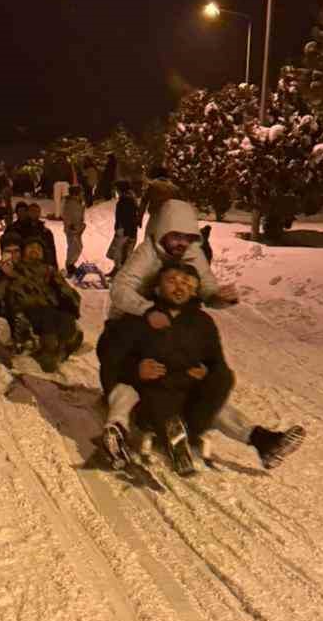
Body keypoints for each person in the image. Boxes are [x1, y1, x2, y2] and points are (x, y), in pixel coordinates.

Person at [108, 198, 303, 470]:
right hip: (134, 321)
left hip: (170, 328)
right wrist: (146, 311)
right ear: (163, 231)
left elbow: (206, 287)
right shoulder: (147, 254)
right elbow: (120, 290)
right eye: (175, 236)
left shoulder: (191, 255)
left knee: (202, 395)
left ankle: (261, 441)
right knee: (130, 385)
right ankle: (120, 430)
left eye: (187, 237)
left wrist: (219, 297)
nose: (181, 243)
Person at [98, 262, 233, 476]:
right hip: (149, 391)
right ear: (158, 287)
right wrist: (136, 370)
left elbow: (216, 361)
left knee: (223, 378)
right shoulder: (139, 316)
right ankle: (124, 433)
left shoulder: (203, 322)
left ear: (194, 291)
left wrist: (207, 371)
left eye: (187, 283)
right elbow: (111, 358)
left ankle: (183, 432)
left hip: (187, 393)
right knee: (154, 393)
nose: (180, 287)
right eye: (172, 281)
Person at [0, 231, 83, 372]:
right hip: (25, 312)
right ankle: (47, 352)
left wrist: (69, 304)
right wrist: (4, 275)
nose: (35, 250)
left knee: (66, 321)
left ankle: (58, 347)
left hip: (48, 310)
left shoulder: (48, 270)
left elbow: (67, 292)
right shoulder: (10, 268)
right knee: (46, 319)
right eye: (31, 247)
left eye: (38, 249)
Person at [106, 182, 141, 277]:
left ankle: (119, 272)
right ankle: (118, 270)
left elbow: (124, 217)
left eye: (117, 189)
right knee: (123, 252)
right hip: (130, 230)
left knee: (120, 252)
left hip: (125, 230)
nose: (116, 191)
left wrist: (120, 228)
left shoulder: (125, 201)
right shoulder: (131, 199)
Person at [10, 199, 58, 266]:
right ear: (28, 212)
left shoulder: (46, 232)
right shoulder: (19, 229)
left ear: (39, 213)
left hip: (41, 264)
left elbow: (51, 251)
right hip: (23, 264)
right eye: (32, 211)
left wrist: (54, 267)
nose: (34, 213)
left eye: (37, 211)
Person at [62, 184, 86, 276]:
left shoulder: (79, 202)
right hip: (72, 229)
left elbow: (80, 213)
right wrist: (70, 225)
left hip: (78, 228)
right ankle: (69, 266)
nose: (82, 194)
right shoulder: (69, 203)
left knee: (78, 247)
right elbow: (66, 215)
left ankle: (71, 264)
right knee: (73, 248)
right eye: (81, 192)